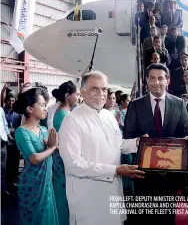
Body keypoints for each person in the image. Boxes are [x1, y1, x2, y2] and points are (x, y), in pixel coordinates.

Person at [58, 71, 145, 225]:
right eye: (94, 89)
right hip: (88, 199)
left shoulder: (108, 116)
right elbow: (73, 165)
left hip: (112, 195)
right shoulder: (72, 121)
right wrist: (115, 170)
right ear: (82, 91)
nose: (101, 94)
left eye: (104, 89)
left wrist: (138, 143)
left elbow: (118, 145)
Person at [123, 63, 188, 225]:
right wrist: (141, 140)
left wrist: (185, 142)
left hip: (171, 173)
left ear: (167, 80)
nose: (156, 82)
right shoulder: (135, 105)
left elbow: (186, 130)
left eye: (161, 78)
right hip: (144, 174)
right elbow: (128, 136)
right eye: (152, 78)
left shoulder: (179, 103)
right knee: (144, 217)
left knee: (167, 216)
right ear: (146, 80)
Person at [13, 88, 59, 225]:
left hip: (46, 183)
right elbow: (34, 158)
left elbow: (52, 149)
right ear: (30, 108)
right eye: (42, 105)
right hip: (32, 184)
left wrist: (55, 146)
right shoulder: (22, 131)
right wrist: (52, 147)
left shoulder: (44, 130)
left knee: (47, 215)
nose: (45, 108)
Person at [52, 81, 80, 225]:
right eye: (77, 94)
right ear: (68, 96)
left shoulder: (64, 112)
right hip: (64, 160)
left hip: (61, 159)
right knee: (65, 196)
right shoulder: (65, 115)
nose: (79, 97)